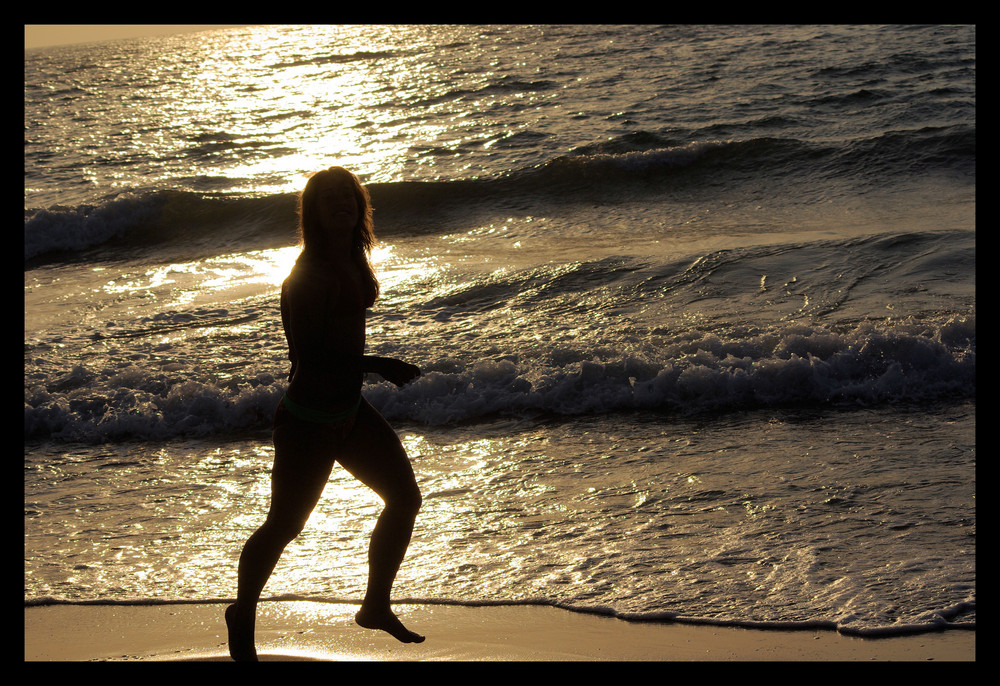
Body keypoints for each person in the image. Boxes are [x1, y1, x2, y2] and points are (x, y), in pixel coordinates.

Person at [226, 166, 424, 661]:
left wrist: (363, 371)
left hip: (349, 410)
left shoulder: (352, 255)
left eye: (348, 195)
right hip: (308, 419)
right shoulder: (309, 272)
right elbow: (307, 355)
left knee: (404, 499)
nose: (340, 202)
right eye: (328, 197)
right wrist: (375, 363)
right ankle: (242, 610)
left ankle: (375, 605)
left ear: (360, 205)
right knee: (284, 526)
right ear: (312, 211)